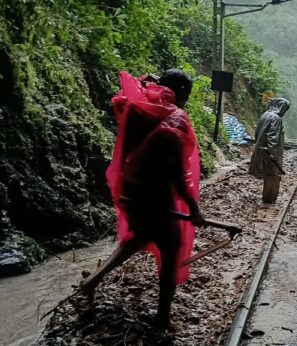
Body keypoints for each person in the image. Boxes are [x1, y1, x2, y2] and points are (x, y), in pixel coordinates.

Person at [80, 69, 204, 328]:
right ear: (180, 90)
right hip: (157, 197)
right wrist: (193, 208)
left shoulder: (141, 109)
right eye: (187, 94)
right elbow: (175, 169)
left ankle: (92, 281)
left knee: (139, 236)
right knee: (171, 254)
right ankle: (162, 319)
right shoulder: (175, 118)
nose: (187, 100)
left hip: (130, 191)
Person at [250, 98, 290, 203]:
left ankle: (268, 197)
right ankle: (269, 199)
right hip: (270, 153)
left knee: (269, 175)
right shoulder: (276, 119)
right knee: (272, 176)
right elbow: (273, 137)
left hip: (262, 149)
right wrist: (273, 155)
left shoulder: (265, 115)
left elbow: (257, 133)